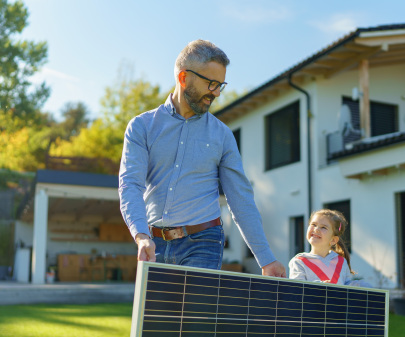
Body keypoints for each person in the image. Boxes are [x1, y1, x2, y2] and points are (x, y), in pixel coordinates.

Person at [118, 39, 286, 277]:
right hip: (154, 243)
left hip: (204, 242)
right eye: (211, 84)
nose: (216, 93)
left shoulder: (223, 135)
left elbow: (240, 197)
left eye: (221, 85)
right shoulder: (141, 127)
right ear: (184, 78)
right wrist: (141, 235)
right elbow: (130, 185)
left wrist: (266, 259)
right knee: (157, 315)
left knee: (194, 315)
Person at [289, 209, 367, 286]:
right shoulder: (299, 262)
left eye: (323, 227)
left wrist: (361, 285)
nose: (316, 229)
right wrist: (319, 287)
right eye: (313, 225)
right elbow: (297, 290)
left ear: (333, 240)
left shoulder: (341, 261)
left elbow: (346, 286)